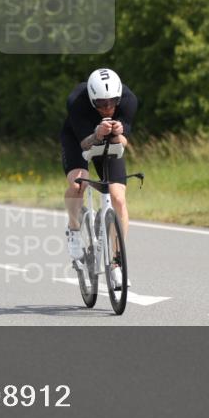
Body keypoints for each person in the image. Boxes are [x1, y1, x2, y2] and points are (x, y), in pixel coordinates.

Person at [60, 68, 139, 289]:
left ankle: (115, 262)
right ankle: (74, 229)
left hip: (109, 140)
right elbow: (85, 143)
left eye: (112, 103)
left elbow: (123, 143)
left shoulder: (129, 100)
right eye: (101, 104)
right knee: (79, 183)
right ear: (92, 100)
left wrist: (118, 132)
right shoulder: (77, 100)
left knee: (118, 198)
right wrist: (97, 133)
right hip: (78, 138)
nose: (107, 108)